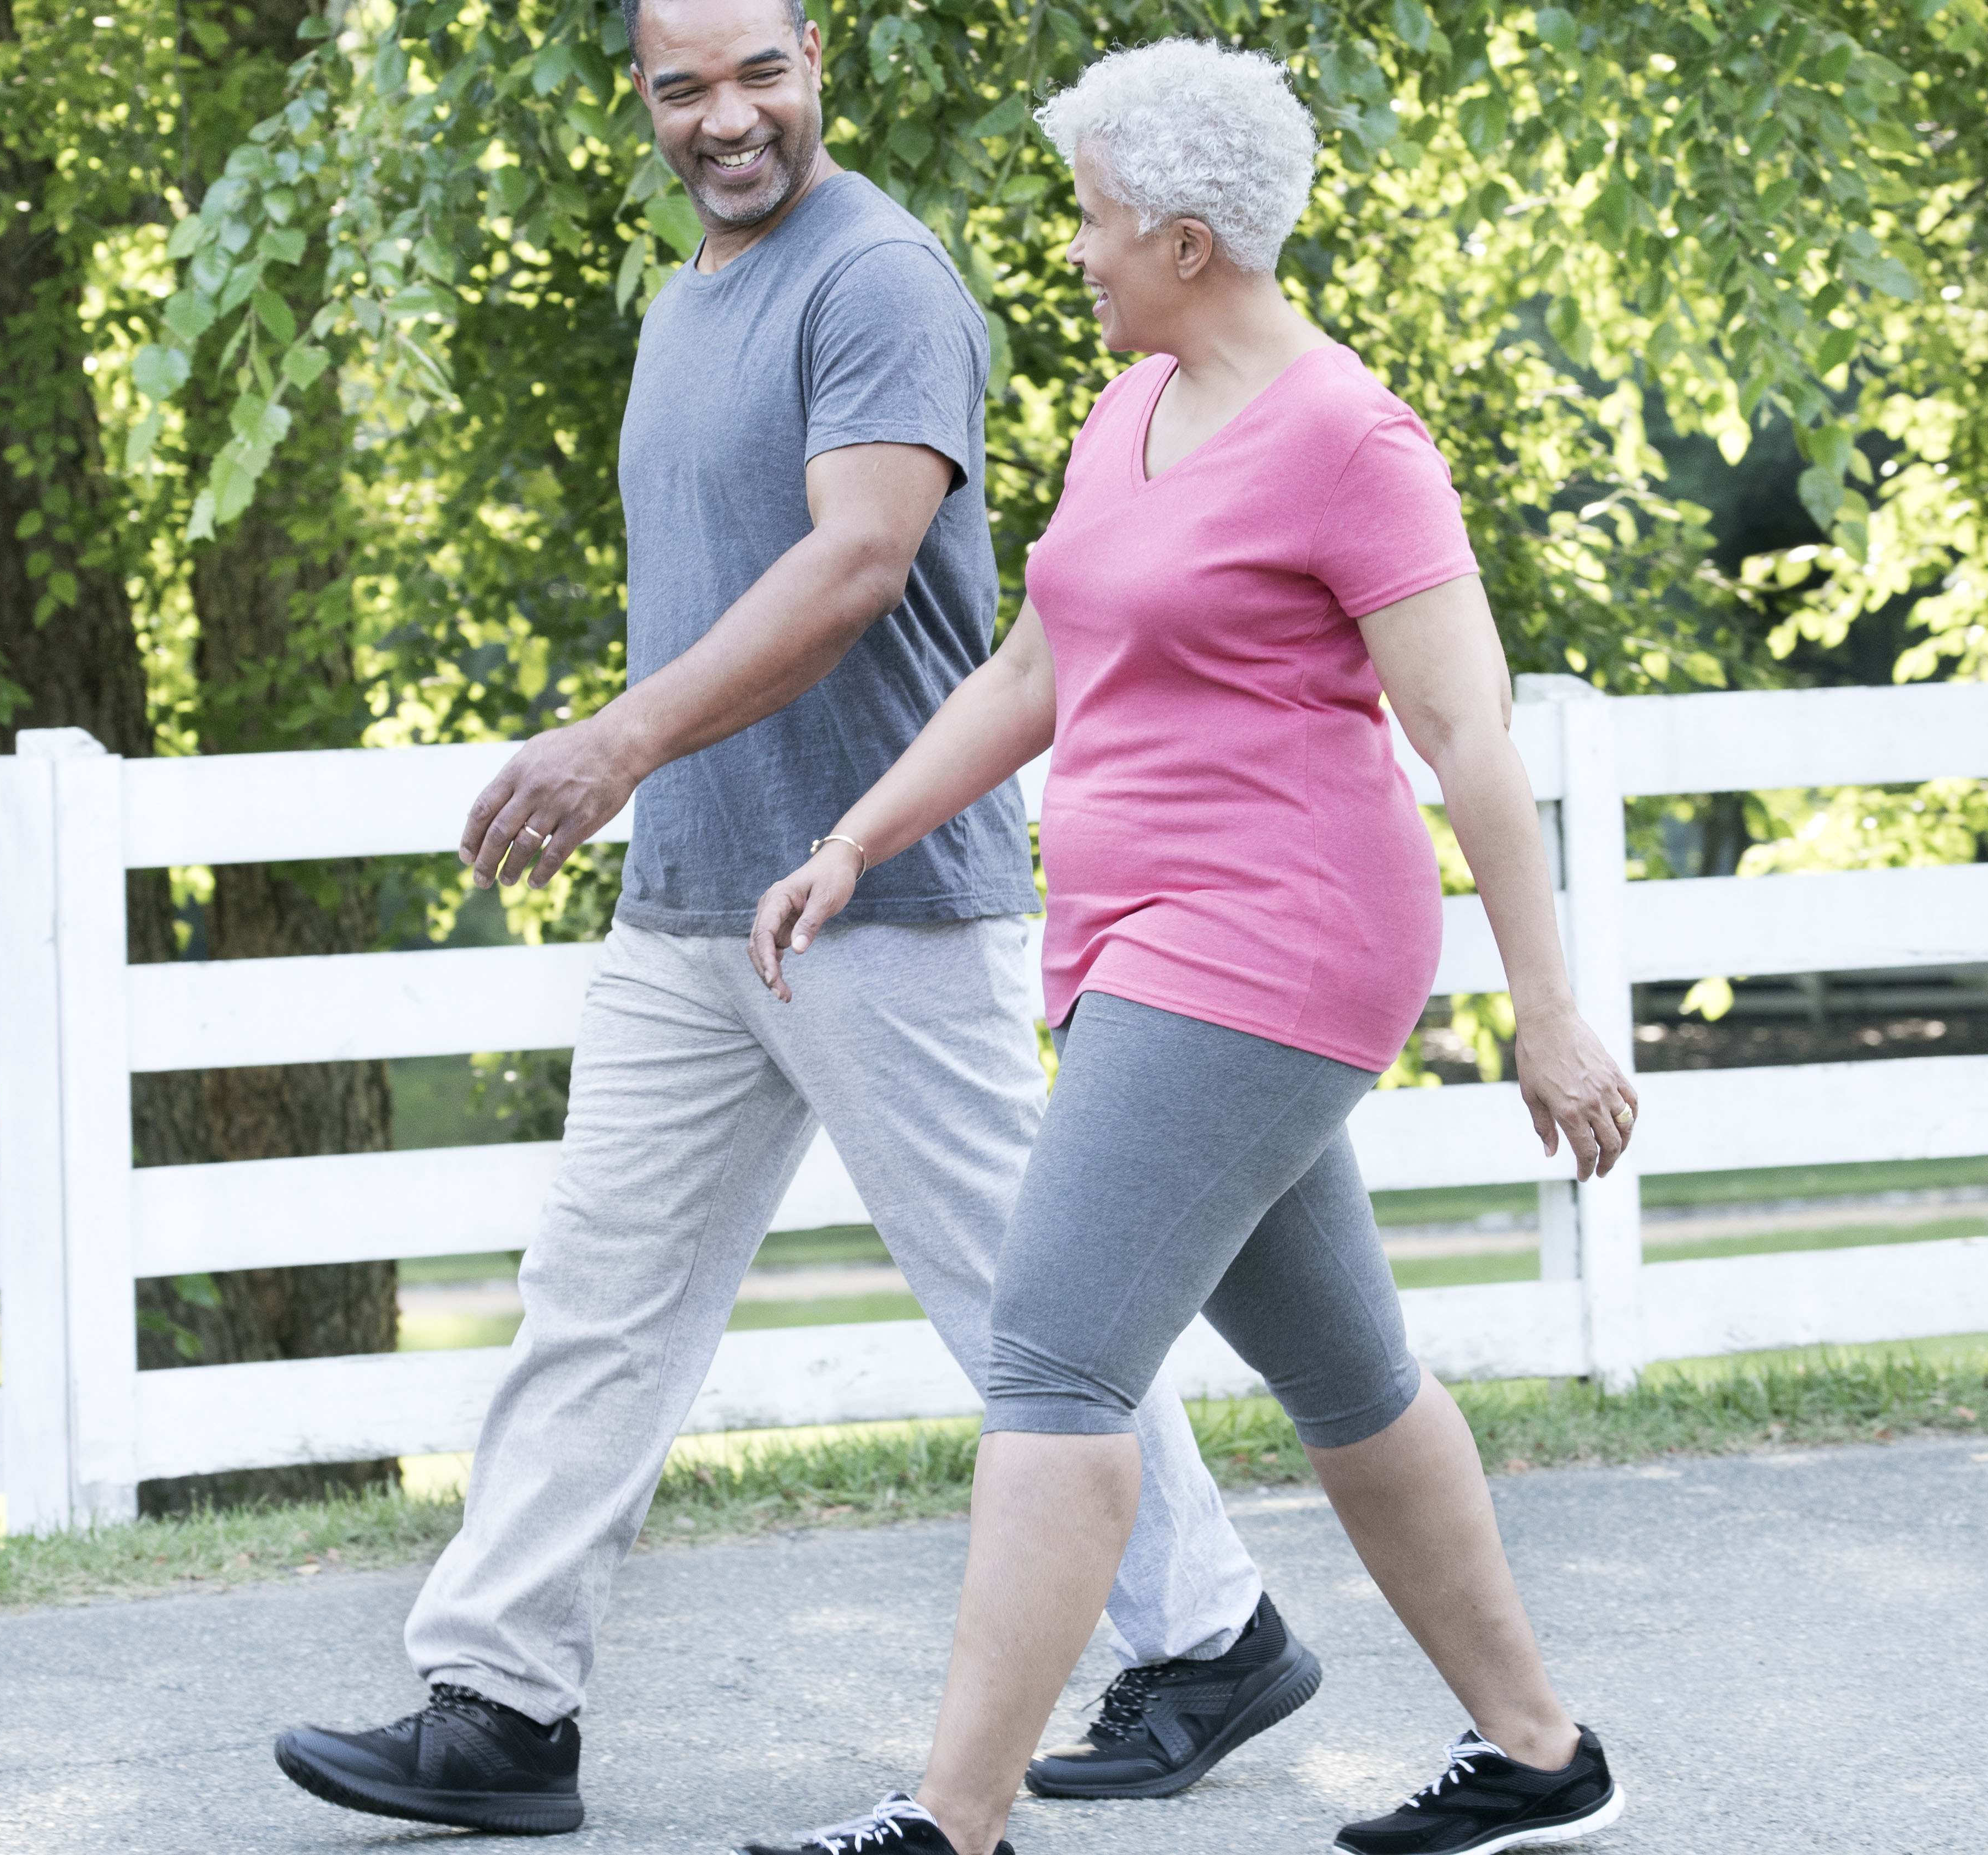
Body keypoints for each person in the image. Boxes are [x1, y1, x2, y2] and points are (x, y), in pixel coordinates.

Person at [271, 2, 1317, 1835]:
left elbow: (859, 561)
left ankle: (1211, 1631)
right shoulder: (694, 297)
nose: (726, 117)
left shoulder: (883, 279)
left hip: (880, 892)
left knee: (1025, 1301)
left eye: (758, 72)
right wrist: (647, 783)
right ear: (645, 99)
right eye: (683, 86)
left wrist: (616, 738)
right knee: (593, 1296)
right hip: (692, 893)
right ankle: (500, 1701)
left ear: (814, 55)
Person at [735, 39, 1643, 1855]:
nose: (1074, 251)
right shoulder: (1127, 414)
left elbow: (1467, 739)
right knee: (1349, 1376)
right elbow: (1034, 673)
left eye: (1093, 219)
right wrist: (854, 839)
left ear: (1191, 239)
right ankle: (1542, 1756)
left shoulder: (1351, 440)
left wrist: (1551, 1014)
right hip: (1137, 940)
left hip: (1276, 938)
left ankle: (952, 1823)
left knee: (1056, 1357)